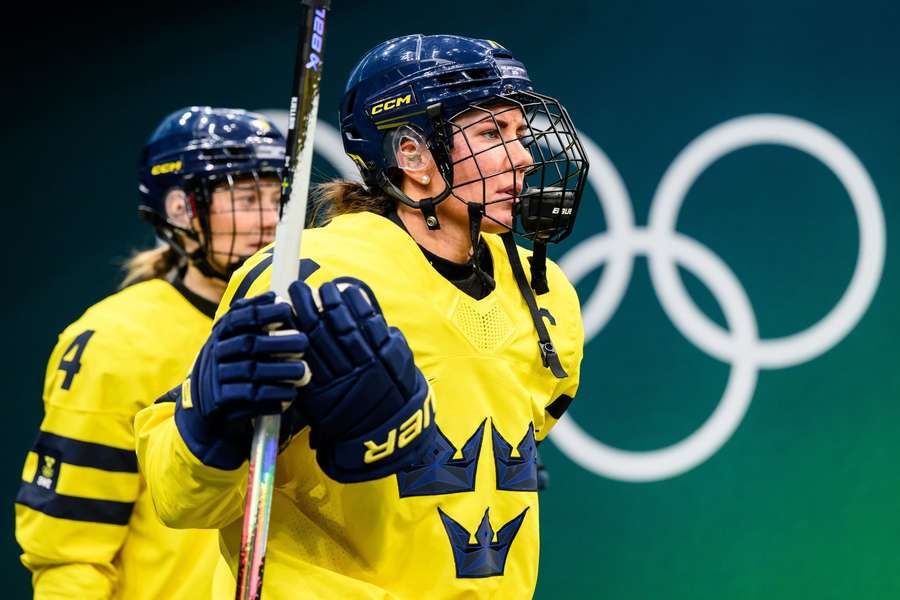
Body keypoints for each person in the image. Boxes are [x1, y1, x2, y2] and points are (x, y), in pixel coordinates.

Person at [135, 34, 589, 599]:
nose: (522, 157)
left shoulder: (546, 292)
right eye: (492, 133)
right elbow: (182, 499)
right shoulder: (307, 276)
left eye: (520, 133)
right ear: (412, 155)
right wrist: (208, 425)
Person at [15, 106, 285, 599]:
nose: (270, 220)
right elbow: (70, 548)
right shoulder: (115, 340)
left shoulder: (309, 318)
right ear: (181, 209)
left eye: (277, 197)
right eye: (247, 198)